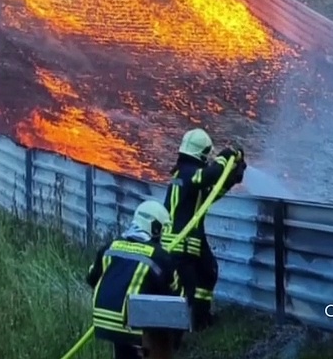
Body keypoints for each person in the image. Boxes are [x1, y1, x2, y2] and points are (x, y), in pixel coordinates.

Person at [161, 128, 246, 331]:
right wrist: (226, 156)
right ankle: (176, 331)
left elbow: (210, 195)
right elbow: (209, 176)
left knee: (208, 272)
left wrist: (231, 178)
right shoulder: (188, 172)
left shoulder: (187, 174)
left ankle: (200, 319)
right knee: (187, 287)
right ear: (202, 153)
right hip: (180, 244)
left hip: (191, 241)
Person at [86, 200, 183, 359]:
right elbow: (175, 293)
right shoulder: (159, 256)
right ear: (155, 228)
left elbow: (91, 278)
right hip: (133, 322)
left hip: (104, 319)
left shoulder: (110, 247)